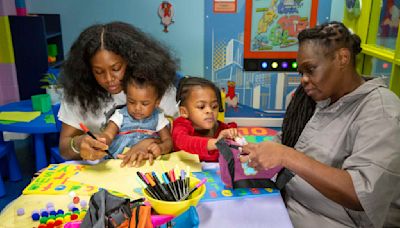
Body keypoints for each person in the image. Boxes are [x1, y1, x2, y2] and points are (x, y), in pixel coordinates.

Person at [239, 21, 400, 227]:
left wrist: (286, 155)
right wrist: (254, 149)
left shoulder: (381, 111)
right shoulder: (312, 100)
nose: (304, 79)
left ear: (342, 58)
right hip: (285, 205)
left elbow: (361, 195)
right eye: (301, 72)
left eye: (311, 69)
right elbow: (288, 141)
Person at [58, 21, 179, 163]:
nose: (109, 79)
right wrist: (78, 144)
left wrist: (151, 143)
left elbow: (179, 139)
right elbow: (64, 149)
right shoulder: (79, 93)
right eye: (98, 72)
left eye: (116, 68)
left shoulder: (155, 86)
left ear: (131, 61)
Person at [100, 68, 173, 166]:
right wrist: (101, 141)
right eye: (131, 102)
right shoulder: (120, 115)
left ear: (157, 102)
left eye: (145, 103)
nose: (137, 108)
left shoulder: (158, 117)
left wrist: (161, 148)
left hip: (145, 161)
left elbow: (168, 141)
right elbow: (108, 135)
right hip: (119, 160)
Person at [172, 76, 240, 162]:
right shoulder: (181, 126)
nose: (209, 110)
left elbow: (237, 152)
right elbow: (183, 142)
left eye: (214, 106)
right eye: (201, 107)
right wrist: (216, 143)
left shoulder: (221, 129)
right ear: (184, 112)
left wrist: (234, 137)